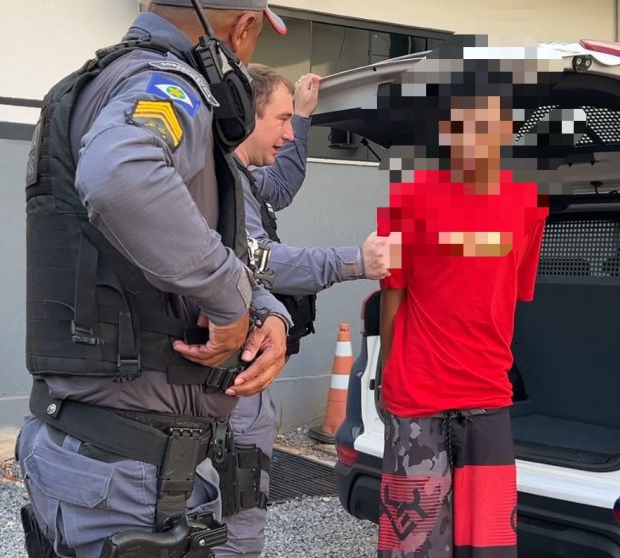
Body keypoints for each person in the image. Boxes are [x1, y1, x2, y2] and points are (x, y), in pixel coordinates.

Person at [15, 2, 293, 557]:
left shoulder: (101, 84)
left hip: (97, 448)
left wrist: (264, 311)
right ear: (244, 28)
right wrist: (231, 302)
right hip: (134, 472)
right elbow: (121, 176)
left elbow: (187, 241)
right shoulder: (168, 82)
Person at [219, 63, 389, 557]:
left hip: (241, 371)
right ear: (246, 117)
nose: (289, 133)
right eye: (281, 119)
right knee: (230, 511)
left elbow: (282, 185)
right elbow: (258, 260)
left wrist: (304, 115)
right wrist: (354, 261)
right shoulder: (221, 181)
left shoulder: (242, 175)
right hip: (228, 380)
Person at [375, 73, 549, 557]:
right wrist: (387, 376)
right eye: (463, 124)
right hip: (417, 395)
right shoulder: (407, 199)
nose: (475, 137)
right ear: (446, 130)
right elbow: (392, 294)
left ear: (508, 128)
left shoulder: (529, 204)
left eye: (488, 124)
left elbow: (508, 298)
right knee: (413, 545)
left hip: (488, 396)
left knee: (489, 546)